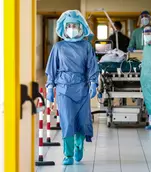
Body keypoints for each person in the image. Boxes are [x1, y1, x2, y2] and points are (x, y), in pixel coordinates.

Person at [45, 10, 99, 165]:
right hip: (63, 89)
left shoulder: (86, 46)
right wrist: (50, 86)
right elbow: (52, 68)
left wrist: (93, 82)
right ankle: (67, 154)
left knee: (82, 121)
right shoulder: (58, 47)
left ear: (81, 27)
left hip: (81, 88)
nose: (72, 28)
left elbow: (91, 66)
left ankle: (78, 146)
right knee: (67, 122)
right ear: (64, 28)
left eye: (75, 25)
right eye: (69, 25)